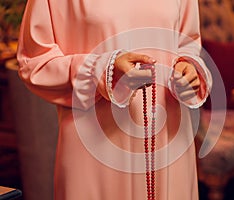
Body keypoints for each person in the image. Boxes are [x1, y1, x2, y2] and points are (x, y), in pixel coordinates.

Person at [17, 0, 212, 199]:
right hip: (95, 145)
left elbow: (187, 44)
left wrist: (187, 68)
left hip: (170, 142)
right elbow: (35, 63)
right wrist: (101, 69)